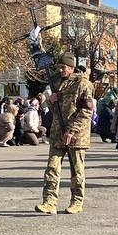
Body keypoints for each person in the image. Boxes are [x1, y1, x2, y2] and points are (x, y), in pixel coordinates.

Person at [36, 54, 94, 215]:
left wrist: (72, 130)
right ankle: (49, 202)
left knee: (77, 170)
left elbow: (87, 111)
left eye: (64, 67)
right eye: (59, 67)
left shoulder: (83, 84)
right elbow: (55, 111)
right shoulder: (57, 84)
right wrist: (51, 101)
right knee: (52, 168)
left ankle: (76, 201)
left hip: (76, 135)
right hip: (57, 133)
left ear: (72, 68)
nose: (61, 70)